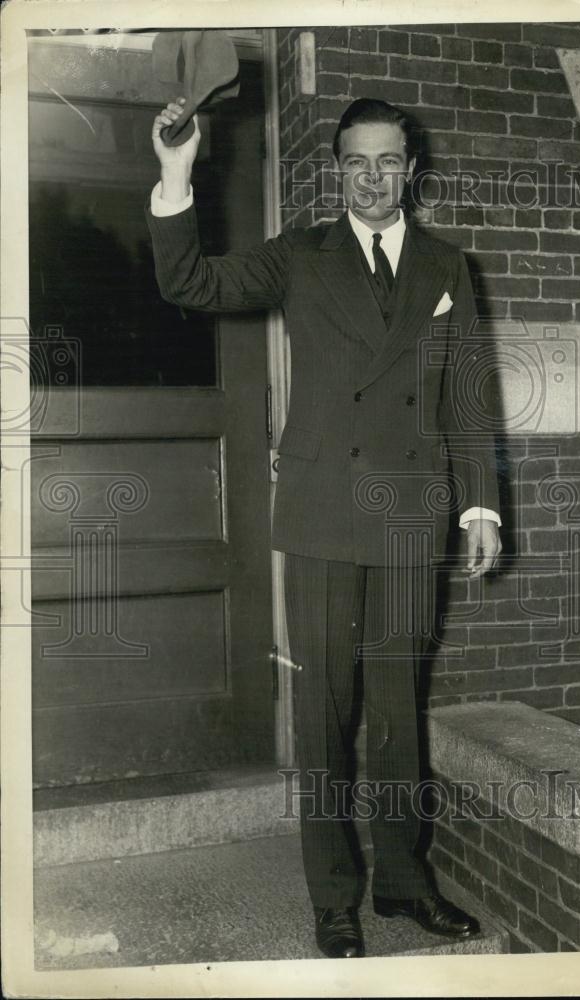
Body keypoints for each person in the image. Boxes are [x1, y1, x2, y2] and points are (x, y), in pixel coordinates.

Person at [146, 96, 502, 959]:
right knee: (323, 714)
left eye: (389, 161)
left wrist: (481, 502)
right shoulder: (301, 256)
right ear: (337, 170)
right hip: (321, 515)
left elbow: (466, 393)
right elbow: (188, 282)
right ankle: (333, 895)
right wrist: (176, 172)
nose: (374, 178)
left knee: (397, 712)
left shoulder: (448, 265)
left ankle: (405, 885)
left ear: (410, 168)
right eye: (357, 163)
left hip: (414, 517)